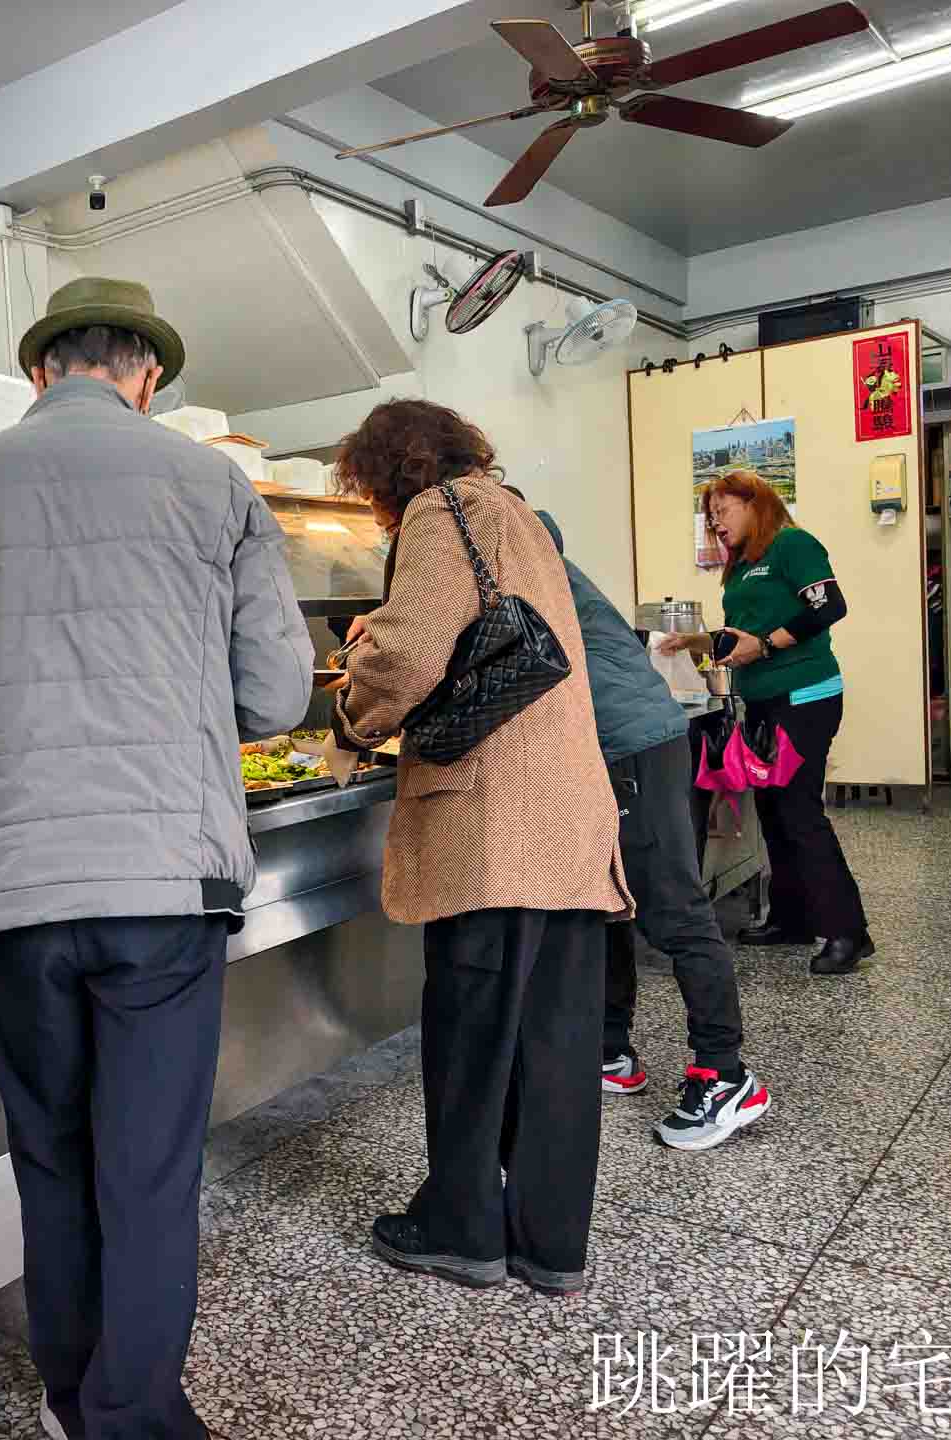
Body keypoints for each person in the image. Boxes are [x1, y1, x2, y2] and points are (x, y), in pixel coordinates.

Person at [0, 276, 312, 1440]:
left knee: (51, 1159)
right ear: (148, 373)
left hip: (12, 885)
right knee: (148, 1172)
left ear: (37, 373)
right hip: (165, 885)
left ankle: (73, 1396)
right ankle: (134, 1416)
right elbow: (276, 693)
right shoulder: (215, 484)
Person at [327, 401, 629, 1298]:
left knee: (475, 1038)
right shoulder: (516, 511)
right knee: (556, 1043)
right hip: (569, 818)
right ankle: (549, 1243)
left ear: (389, 473)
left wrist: (351, 712)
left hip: (492, 824)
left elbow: (414, 653)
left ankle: (460, 1227)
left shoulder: (439, 510)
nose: (376, 507)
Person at [512, 493, 769, 1151]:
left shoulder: (523, 560)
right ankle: (609, 1050)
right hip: (611, 750)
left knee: (673, 911)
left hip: (632, 748)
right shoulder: (530, 566)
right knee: (607, 902)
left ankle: (726, 1076)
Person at [660, 470, 872, 974]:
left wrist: (768, 643)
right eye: (710, 519)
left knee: (799, 811)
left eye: (723, 513)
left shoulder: (792, 545)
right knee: (774, 811)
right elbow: (744, 638)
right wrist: (699, 643)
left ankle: (848, 931)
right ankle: (793, 918)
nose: (716, 525)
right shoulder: (742, 567)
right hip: (766, 701)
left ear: (755, 504)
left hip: (807, 694)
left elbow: (829, 607)